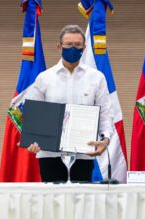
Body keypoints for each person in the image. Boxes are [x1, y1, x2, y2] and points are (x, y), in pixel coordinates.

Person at [26, 25, 113, 183]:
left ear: (84, 47)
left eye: (78, 45)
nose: (73, 48)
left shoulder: (97, 78)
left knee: (82, 203)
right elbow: (33, 118)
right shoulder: (44, 78)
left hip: (83, 154)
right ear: (59, 47)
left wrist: (105, 140)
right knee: (52, 202)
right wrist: (32, 140)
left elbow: (106, 115)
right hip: (50, 154)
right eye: (68, 45)